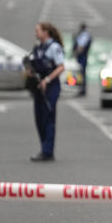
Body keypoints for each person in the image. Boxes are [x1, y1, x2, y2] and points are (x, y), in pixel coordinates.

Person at [26, 21, 65, 162]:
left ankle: (47, 151)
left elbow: (61, 67)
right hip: (38, 86)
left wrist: (47, 80)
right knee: (39, 118)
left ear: (45, 32)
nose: (35, 33)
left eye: (38, 30)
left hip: (50, 86)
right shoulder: (38, 48)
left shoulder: (54, 47)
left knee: (48, 118)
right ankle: (44, 147)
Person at [71, 23, 92, 97]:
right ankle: (81, 89)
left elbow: (81, 47)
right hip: (82, 57)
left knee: (81, 73)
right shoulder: (85, 34)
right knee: (81, 73)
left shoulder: (84, 35)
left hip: (82, 57)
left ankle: (81, 89)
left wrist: (75, 53)